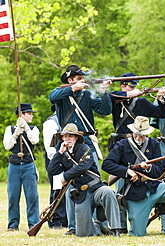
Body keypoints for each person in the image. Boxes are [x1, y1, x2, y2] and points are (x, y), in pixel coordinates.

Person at [49, 64, 112, 235]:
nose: (82, 81)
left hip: (87, 143)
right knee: (68, 186)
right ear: (70, 80)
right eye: (78, 79)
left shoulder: (88, 95)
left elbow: (105, 110)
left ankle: (96, 223)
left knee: (94, 182)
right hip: (67, 143)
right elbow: (51, 96)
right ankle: (72, 226)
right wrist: (72, 89)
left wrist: (104, 91)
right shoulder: (62, 94)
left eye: (82, 79)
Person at [102, 116, 165, 237]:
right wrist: (127, 171)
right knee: (137, 234)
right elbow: (107, 165)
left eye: (142, 135)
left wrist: (148, 168)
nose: (138, 137)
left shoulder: (154, 144)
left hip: (154, 188)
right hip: (135, 192)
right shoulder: (122, 145)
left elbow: (159, 171)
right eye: (136, 134)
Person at [108, 72, 165, 234]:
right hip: (122, 146)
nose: (134, 88)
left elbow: (161, 113)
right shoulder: (115, 100)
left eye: (135, 85)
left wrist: (161, 99)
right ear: (122, 86)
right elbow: (105, 98)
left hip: (140, 145)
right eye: (130, 85)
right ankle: (119, 225)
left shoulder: (140, 102)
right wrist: (127, 94)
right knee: (120, 188)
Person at [47, 123, 121, 237]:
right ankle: (97, 226)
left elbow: (83, 167)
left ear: (76, 137)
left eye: (70, 136)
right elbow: (51, 170)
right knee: (83, 234)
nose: (67, 139)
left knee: (108, 192)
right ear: (62, 138)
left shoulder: (84, 149)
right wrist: (60, 152)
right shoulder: (63, 154)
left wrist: (66, 176)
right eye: (65, 136)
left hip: (96, 188)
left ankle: (116, 229)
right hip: (81, 193)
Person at [3, 103, 40, 231]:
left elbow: (34, 140)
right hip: (14, 165)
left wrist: (26, 129)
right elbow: (7, 146)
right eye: (29, 113)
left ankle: (34, 224)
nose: (31, 116)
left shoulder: (34, 128)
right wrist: (16, 133)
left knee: (32, 196)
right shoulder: (10, 129)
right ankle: (13, 224)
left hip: (28, 164)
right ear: (21, 114)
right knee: (13, 196)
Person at [43, 106, 67, 229]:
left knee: (66, 189)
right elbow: (50, 146)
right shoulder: (51, 122)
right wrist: (58, 158)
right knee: (57, 189)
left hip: (67, 157)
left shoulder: (66, 119)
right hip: (55, 158)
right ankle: (55, 220)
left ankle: (65, 220)